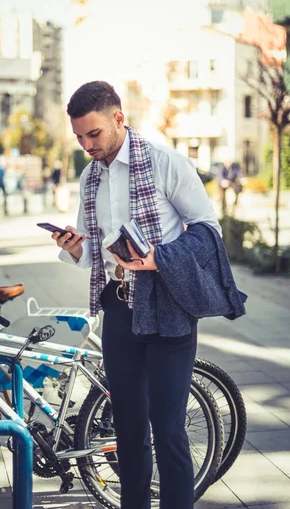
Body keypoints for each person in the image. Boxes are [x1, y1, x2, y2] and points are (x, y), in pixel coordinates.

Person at [52, 81, 222, 509]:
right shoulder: (90, 176)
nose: (87, 145)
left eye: (93, 134)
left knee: (167, 430)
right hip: (119, 308)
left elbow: (207, 231)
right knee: (127, 431)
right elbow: (93, 247)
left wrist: (158, 258)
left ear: (118, 119)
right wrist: (76, 248)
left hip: (167, 307)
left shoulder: (167, 163)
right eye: (79, 137)